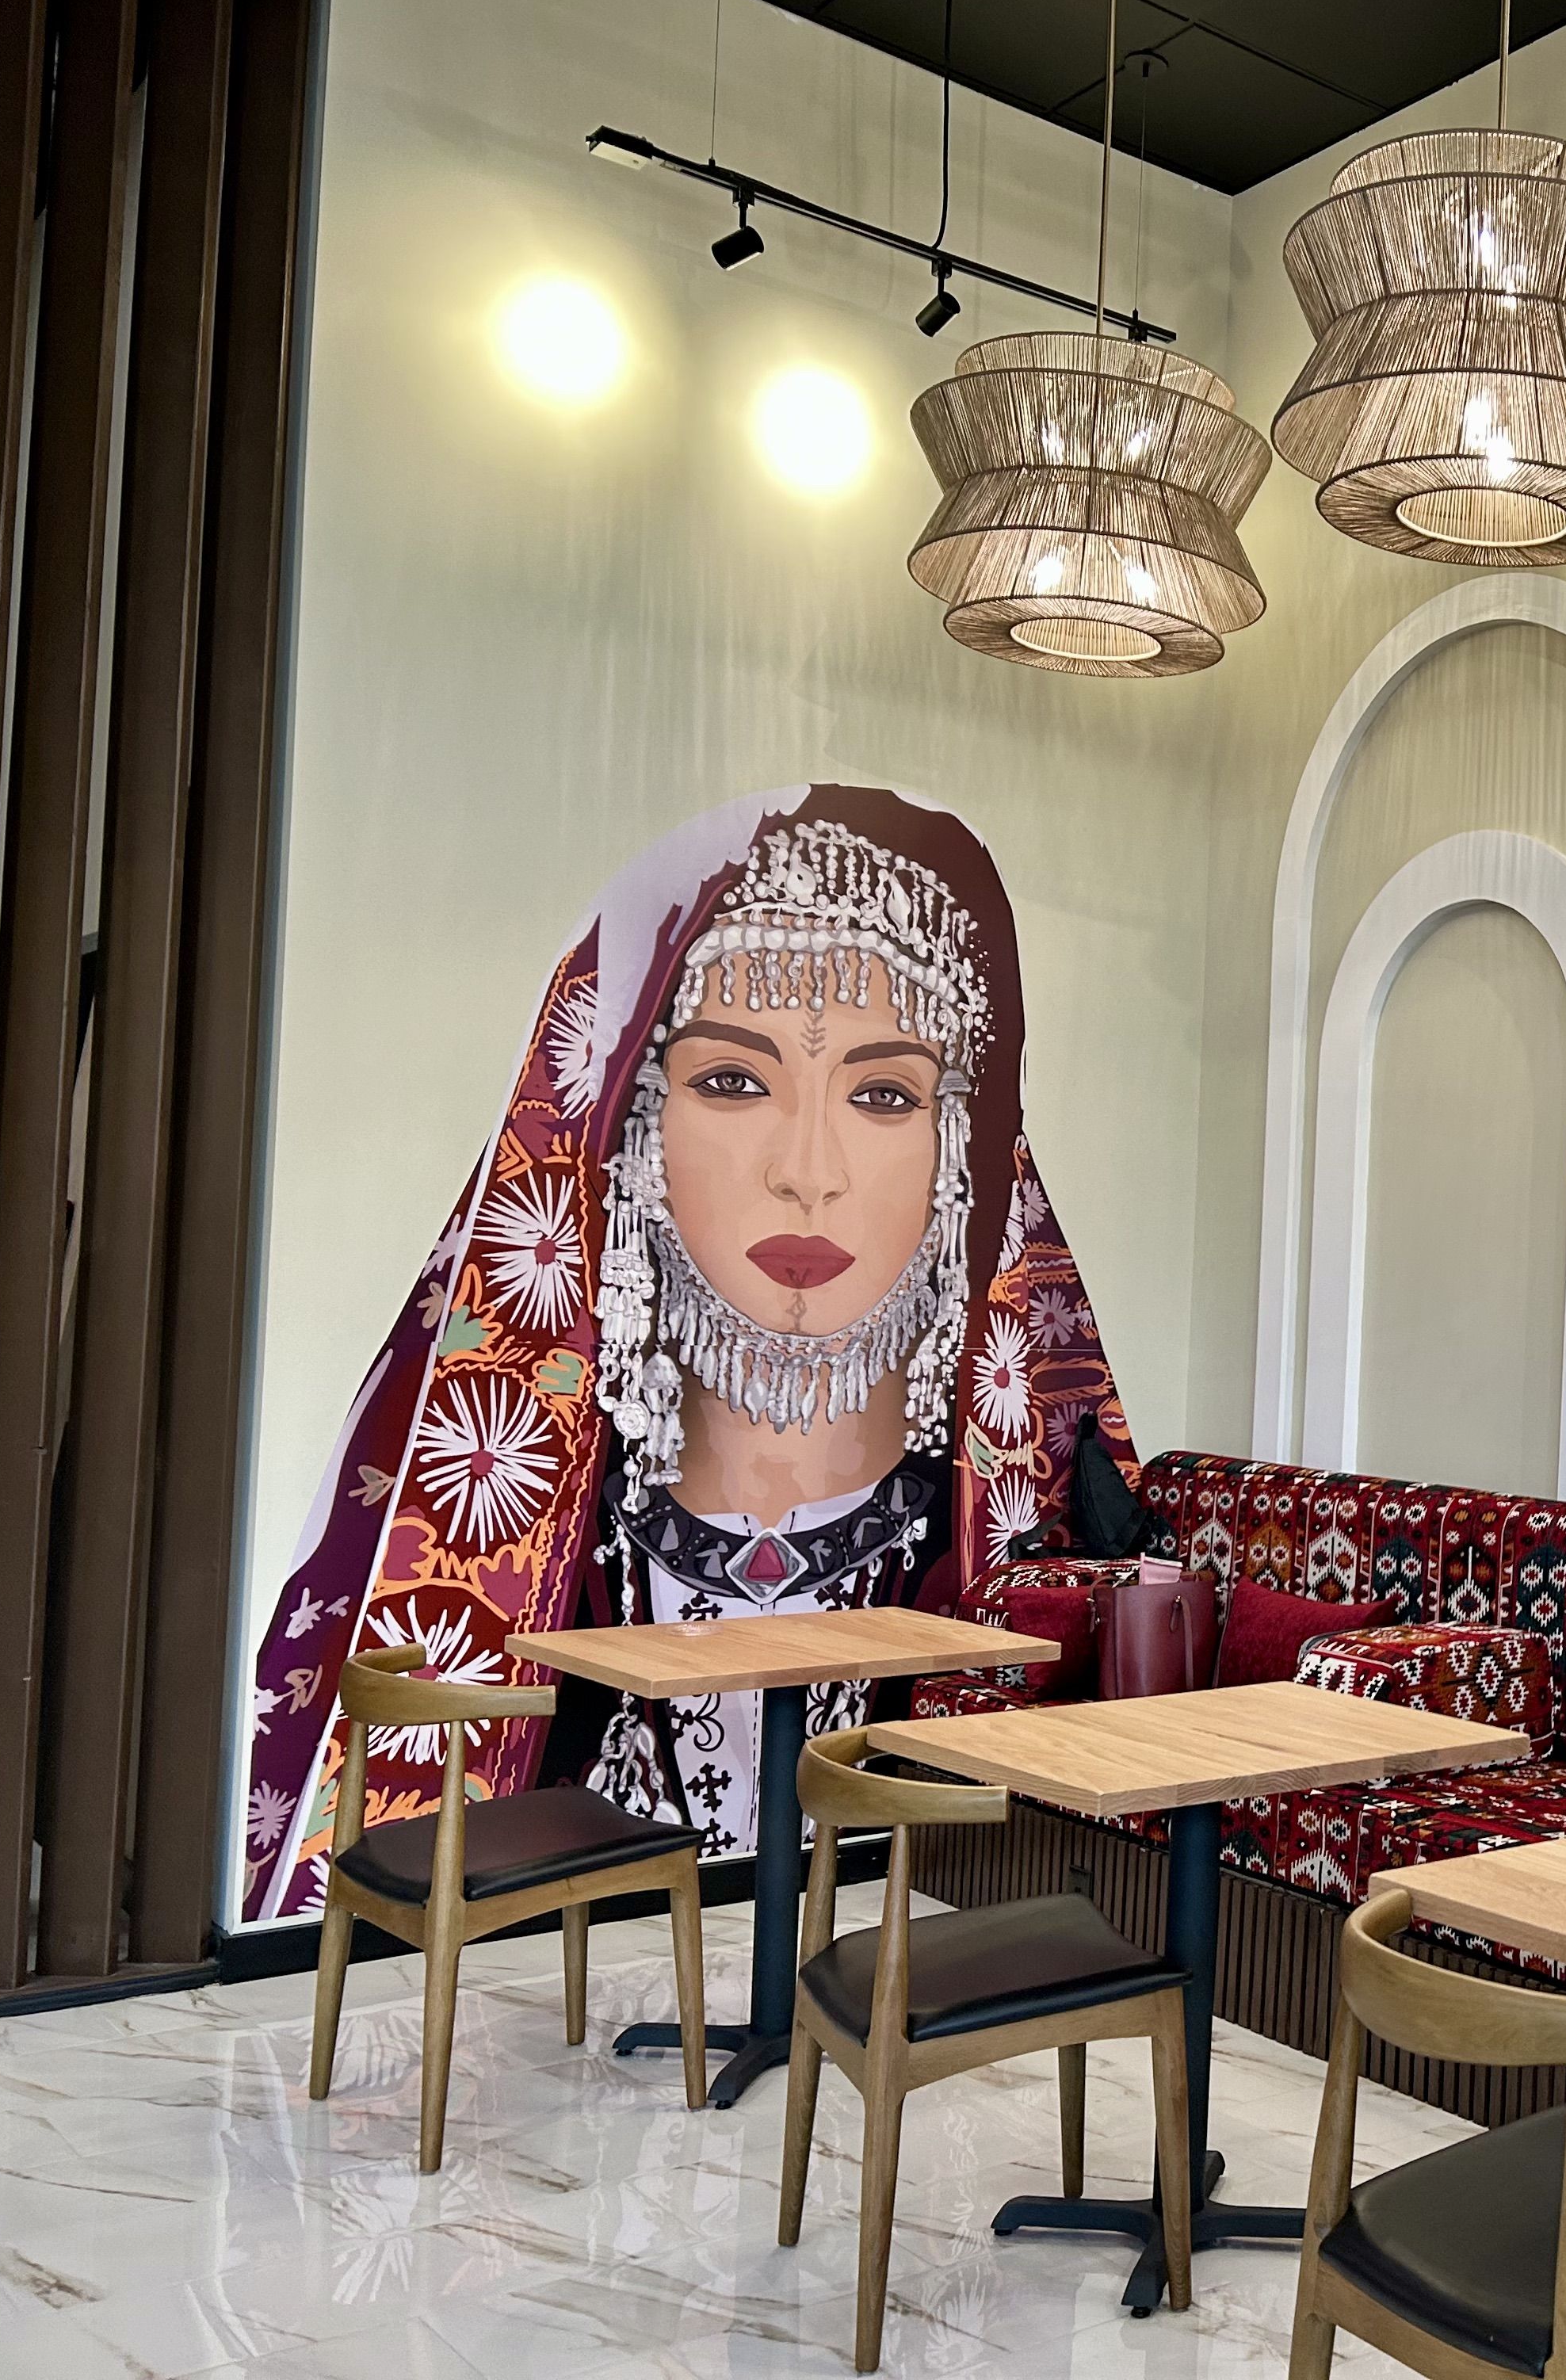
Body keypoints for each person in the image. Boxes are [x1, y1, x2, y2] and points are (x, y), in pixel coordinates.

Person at [240, 787, 1132, 1920]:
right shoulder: (545, 1552)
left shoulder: (992, 1561)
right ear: (625, 1126)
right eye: (732, 1082)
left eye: (882, 1094)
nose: (807, 1171)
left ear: (961, 1153)